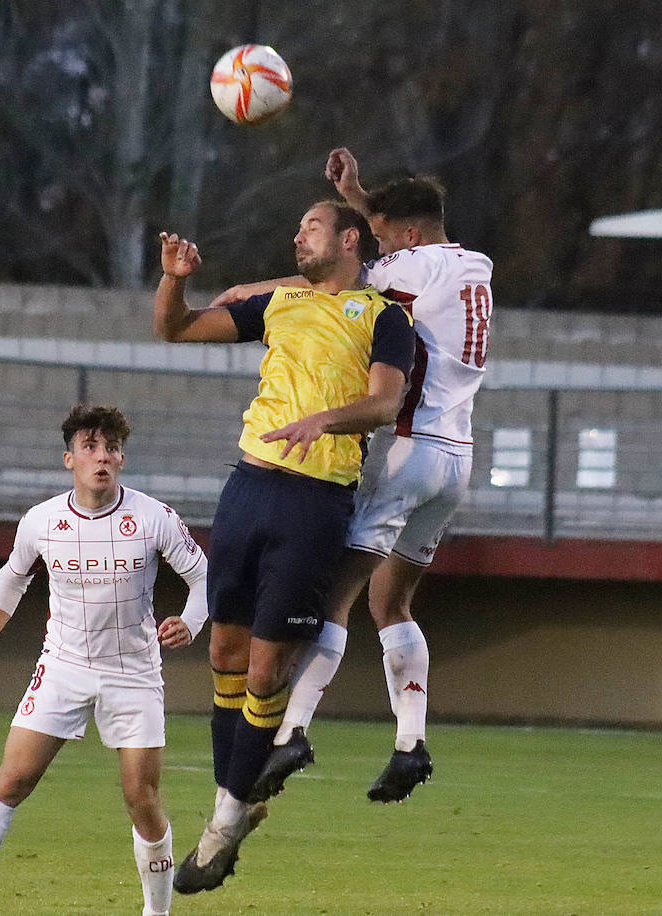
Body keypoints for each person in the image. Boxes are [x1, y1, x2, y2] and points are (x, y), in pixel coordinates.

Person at [215, 148, 494, 804]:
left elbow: (338, 281)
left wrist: (254, 292)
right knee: (390, 602)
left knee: (333, 595)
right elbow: (391, 233)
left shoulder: (409, 266)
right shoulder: (473, 266)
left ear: (411, 236)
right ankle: (410, 743)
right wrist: (362, 192)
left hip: (406, 449)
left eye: (384, 232)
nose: (377, 240)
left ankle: (292, 732)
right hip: (457, 457)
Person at [153, 200, 414, 892]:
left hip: (315, 503)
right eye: (295, 225)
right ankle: (232, 813)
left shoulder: (385, 318)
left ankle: (221, 828)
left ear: (349, 238)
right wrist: (174, 279)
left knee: (268, 673)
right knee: (223, 656)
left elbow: (387, 403)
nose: (296, 234)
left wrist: (325, 419)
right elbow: (174, 329)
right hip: (247, 490)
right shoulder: (278, 304)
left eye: (311, 226)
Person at [0, 405, 209, 916]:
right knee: (11, 779)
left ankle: (156, 913)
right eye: (91, 448)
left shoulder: (153, 517)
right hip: (63, 665)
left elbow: (206, 576)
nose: (103, 457)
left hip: (133, 672)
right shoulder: (42, 521)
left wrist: (192, 621)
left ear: (122, 460)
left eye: (112, 449)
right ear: (68, 458)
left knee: (142, 799)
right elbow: (13, 577)